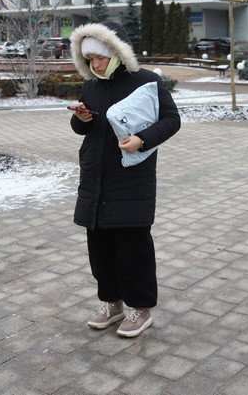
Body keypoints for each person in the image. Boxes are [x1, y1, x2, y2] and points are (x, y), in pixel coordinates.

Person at [69, 21, 181, 338]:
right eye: (89, 60)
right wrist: (81, 118)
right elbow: (83, 129)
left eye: (100, 58)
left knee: (132, 245)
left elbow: (172, 120)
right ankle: (112, 303)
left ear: (117, 53)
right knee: (100, 245)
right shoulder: (91, 85)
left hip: (131, 176)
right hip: (96, 175)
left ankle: (140, 308)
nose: (95, 65)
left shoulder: (146, 82)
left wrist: (142, 139)